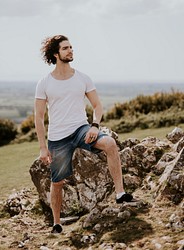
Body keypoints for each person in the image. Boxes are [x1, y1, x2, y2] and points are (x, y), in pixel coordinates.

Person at [35, 35, 133, 234]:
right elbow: (38, 116)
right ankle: (57, 223)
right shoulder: (44, 83)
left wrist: (95, 125)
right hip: (58, 138)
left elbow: (97, 105)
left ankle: (120, 193)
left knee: (111, 144)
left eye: (71, 47)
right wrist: (43, 147)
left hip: (81, 130)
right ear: (55, 53)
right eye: (65, 48)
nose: (70, 50)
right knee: (57, 182)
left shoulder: (83, 78)